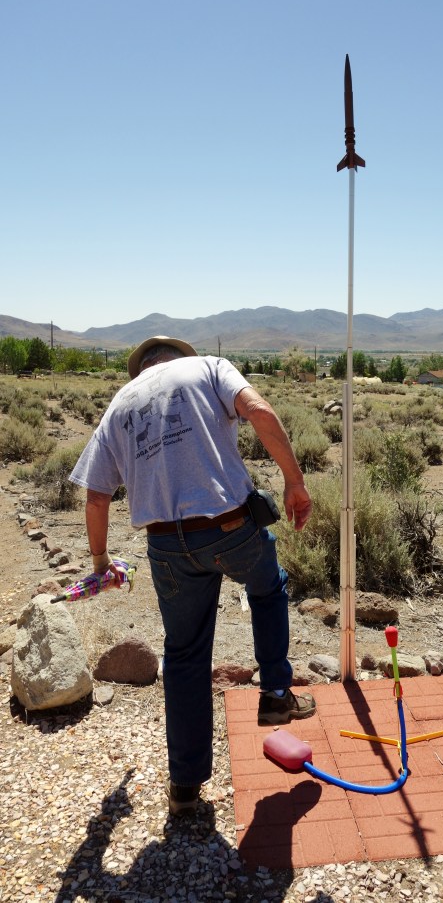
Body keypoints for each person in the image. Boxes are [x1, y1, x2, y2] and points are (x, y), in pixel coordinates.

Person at [70, 335, 315, 816]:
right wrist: (294, 481)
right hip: (230, 528)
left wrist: (100, 564)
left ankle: (185, 788)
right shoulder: (209, 367)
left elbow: (97, 497)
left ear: (140, 369)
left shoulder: (120, 403)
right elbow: (260, 412)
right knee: (269, 587)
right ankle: (276, 693)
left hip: (165, 545)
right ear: (180, 358)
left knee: (183, 657)